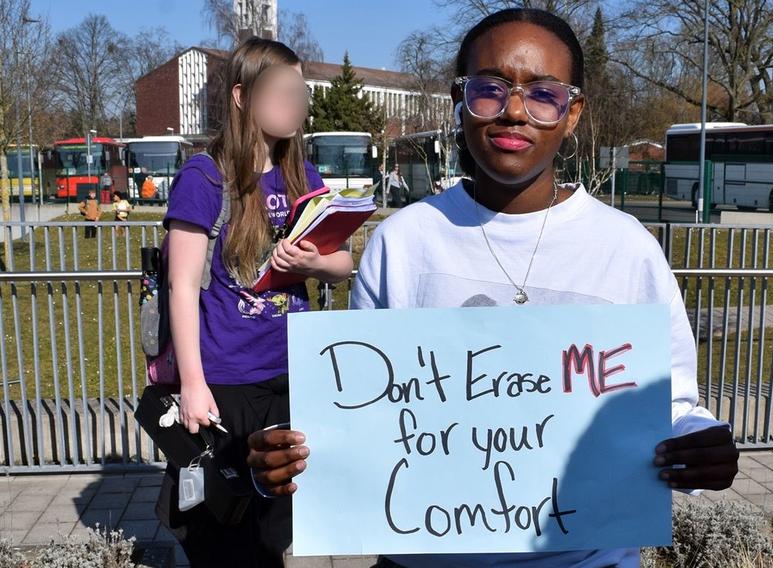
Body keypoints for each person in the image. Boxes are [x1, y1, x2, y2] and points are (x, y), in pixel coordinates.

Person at [246, 8, 738, 568]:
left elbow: (672, 404)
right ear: (460, 100)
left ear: (572, 112)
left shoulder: (625, 248)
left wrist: (701, 446)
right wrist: (291, 458)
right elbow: (364, 412)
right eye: (489, 89)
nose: (514, 112)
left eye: (543, 94)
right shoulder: (404, 242)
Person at [155, 37, 353, 567]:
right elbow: (181, 285)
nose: (295, 103)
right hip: (228, 384)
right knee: (222, 531)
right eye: (280, 90)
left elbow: (344, 262)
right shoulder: (205, 177)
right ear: (242, 96)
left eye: (299, 91)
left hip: (295, 377)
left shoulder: (303, 177)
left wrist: (310, 264)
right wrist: (193, 386)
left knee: (274, 531)